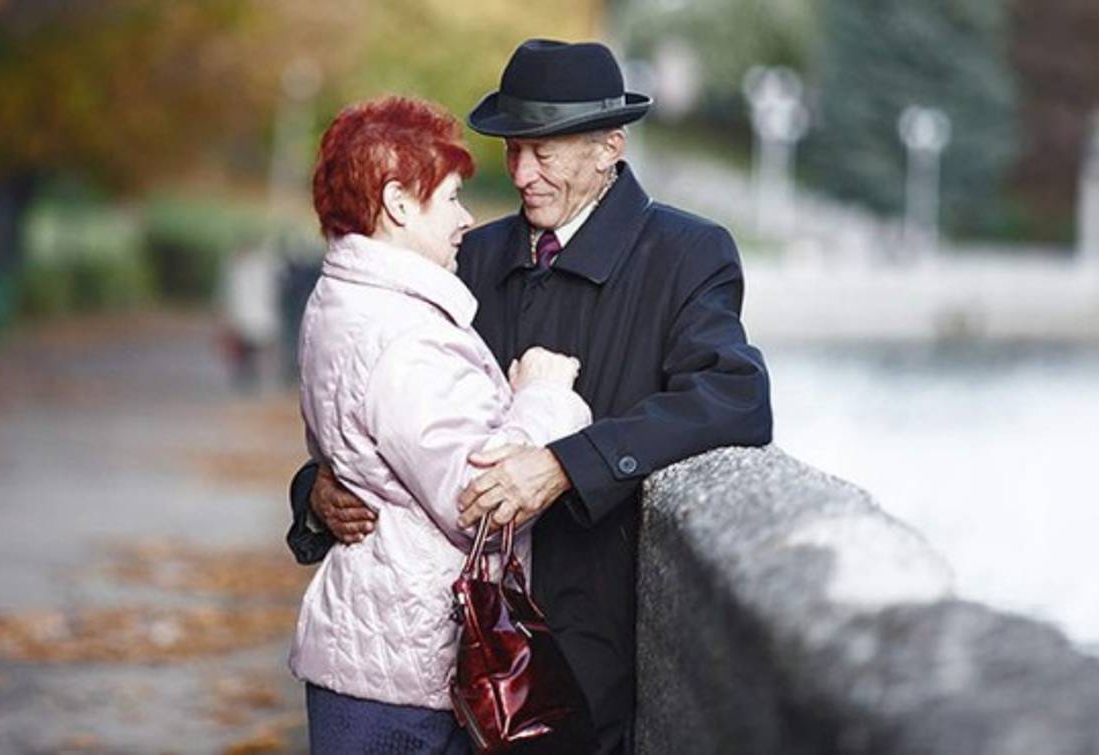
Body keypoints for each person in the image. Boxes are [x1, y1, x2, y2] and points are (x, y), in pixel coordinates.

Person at [289, 40, 774, 753]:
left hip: (588, 646)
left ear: (611, 146)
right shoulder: (471, 256)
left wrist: (566, 463)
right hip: (445, 657)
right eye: (514, 148)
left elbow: (736, 399)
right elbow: (377, 399)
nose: (520, 172)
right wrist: (316, 489)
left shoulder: (687, 253)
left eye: (544, 151)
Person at [290, 95, 591, 753]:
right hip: (404, 679)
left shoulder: (343, 300)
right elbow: (478, 499)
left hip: (370, 651)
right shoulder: (405, 335)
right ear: (399, 204)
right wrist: (546, 398)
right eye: (451, 198)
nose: (466, 217)